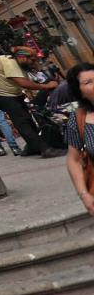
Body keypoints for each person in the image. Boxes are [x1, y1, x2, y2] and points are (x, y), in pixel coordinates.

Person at [0, 46, 65, 158]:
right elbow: (23, 83)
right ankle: (45, 149)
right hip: (0, 94)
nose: (33, 63)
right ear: (22, 57)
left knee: (27, 119)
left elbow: (35, 75)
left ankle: (32, 146)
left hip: (10, 93)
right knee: (22, 121)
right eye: (32, 60)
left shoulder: (18, 63)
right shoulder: (10, 63)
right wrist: (46, 86)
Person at [60, 62, 94, 216]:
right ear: (80, 92)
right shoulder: (78, 119)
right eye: (88, 82)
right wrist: (84, 194)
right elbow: (73, 160)